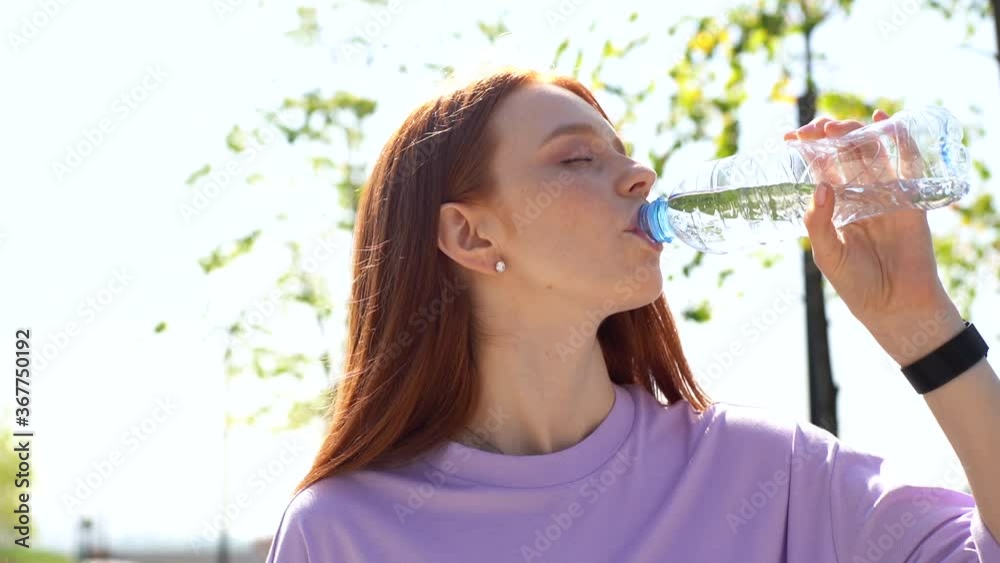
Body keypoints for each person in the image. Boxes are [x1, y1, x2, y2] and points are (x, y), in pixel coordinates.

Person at [265, 67, 1000, 562]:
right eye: (576, 159)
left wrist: (923, 327)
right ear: (470, 234)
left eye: (623, 153)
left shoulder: (765, 473)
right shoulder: (344, 532)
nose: (640, 174)